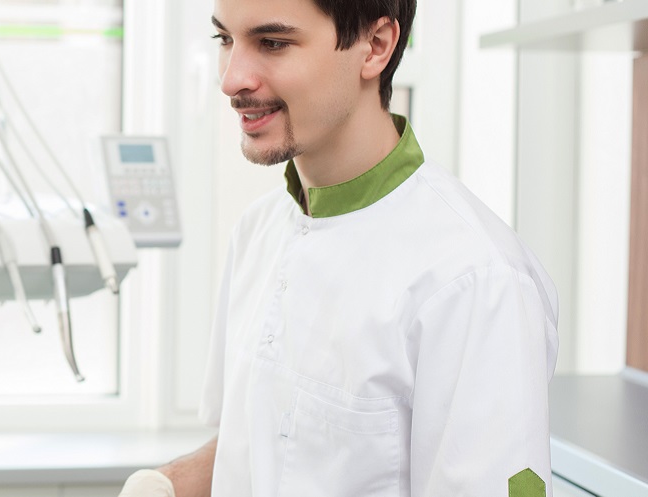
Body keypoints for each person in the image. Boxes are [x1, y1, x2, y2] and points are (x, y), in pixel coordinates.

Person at [119, 0, 558, 496]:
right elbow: (265, 444)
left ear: (376, 46)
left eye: (273, 43)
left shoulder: (477, 281)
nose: (231, 79)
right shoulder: (258, 231)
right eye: (225, 40)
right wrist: (163, 484)